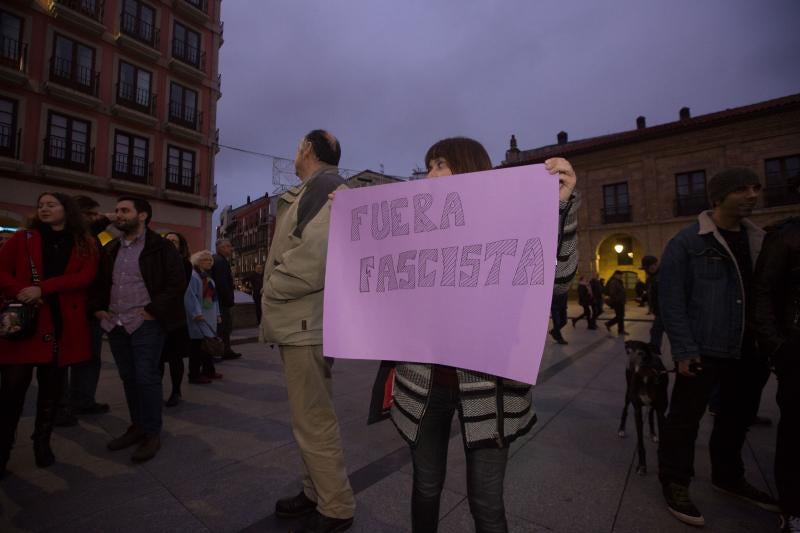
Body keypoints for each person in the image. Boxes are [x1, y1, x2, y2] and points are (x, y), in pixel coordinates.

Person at [389, 137, 579, 533]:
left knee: (486, 501)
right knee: (425, 486)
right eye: (429, 164)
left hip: (489, 388)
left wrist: (560, 206)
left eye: (440, 163)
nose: (431, 173)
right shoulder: (414, 228)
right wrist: (345, 222)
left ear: (469, 168)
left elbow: (558, 281)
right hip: (425, 384)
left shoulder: (508, 223)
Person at [656, 168, 778, 527]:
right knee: (684, 421)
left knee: (736, 419)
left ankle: (728, 476)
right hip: (702, 349)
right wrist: (683, 350)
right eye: (742, 189)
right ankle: (675, 482)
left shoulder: (761, 240)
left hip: (749, 350)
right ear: (718, 197)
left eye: (756, 187)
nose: (753, 195)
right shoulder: (688, 242)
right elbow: (672, 302)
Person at [261, 129, 355, 533]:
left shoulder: (326, 187)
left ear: (307, 151)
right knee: (307, 416)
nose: (295, 152)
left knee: (313, 417)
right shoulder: (316, 189)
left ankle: (335, 507)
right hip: (306, 320)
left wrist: (270, 286)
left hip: (305, 321)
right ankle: (315, 491)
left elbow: (315, 260)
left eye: (297, 146)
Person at [0, 193, 98, 476]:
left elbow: (85, 276)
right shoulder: (23, 238)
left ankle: (41, 443)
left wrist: (44, 288)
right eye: (41, 204)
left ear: (66, 210)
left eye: (51, 204)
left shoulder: (85, 243)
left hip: (60, 324)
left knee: (51, 391)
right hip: (25, 324)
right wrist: (20, 290)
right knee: (11, 391)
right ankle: (3, 448)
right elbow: (2, 270)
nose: (44, 208)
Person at [89, 197, 186, 463]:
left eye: (124, 211)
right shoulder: (111, 247)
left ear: (142, 215)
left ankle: (152, 433)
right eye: (117, 210)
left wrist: (153, 310)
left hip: (145, 324)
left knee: (146, 377)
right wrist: (97, 307)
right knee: (129, 378)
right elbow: (99, 278)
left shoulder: (161, 247)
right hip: (116, 322)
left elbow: (177, 282)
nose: (119, 215)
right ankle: (137, 426)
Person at [753, 207, 800, 532]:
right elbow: (764, 296)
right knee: (796, 432)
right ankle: (794, 506)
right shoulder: (785, 236)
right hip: (796, 351)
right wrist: (780, 349)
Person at [52, 195, 113, 426]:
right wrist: (105, 219)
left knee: (89, 358)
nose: (94, 219)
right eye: (89, 215)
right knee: (62, 360)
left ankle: (83, 400)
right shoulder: (66, 238)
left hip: (91, 309)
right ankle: (61, 407)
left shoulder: (91, 240)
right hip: (69, 308)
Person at [162, 232, 193, 406]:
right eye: (167, 240)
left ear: (181, 246)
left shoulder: (184, 264)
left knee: (175, 357)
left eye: (174, 241)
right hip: (158, 316)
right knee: (157, 357)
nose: (170, 243)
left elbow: (178, 288)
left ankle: (176, 391)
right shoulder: (157, 262)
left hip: (175, 316)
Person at [185, 250, 222, 384]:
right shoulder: (193, 276)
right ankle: (194, 374)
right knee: (197, 347)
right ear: (197, 261)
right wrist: (196, 313)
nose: (209, 262)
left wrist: (218, 314)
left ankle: (208, 370)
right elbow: (190, 296)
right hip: (199, 317)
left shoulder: (209, 278)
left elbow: (215, 299)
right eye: (205, 260)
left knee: (208, 345)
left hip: (209, 316)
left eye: (210, 260)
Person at [211, 238, 241, 360]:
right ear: (220, 248)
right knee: (224, 327)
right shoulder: (220, 261)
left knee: (224, 327)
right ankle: (223, 351)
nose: (230, 248)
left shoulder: (219, 260)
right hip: (222, 302)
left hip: (220, 301)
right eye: (227, 246)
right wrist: (229, 299)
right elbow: (222, 283)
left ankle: (225, 350)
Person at [640, 255, 664, 354]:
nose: (647, 271)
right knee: (655, 331)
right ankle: (654, 352)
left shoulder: (663, 276)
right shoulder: (652, 277)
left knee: (657, 331)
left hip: (666, 311)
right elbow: (653, 293)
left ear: (655, 265)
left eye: (648, 268)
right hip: (659, 311)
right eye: (645, 269)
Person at [604, 270, 627, 336]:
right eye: (620, 275)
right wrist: (618, 299)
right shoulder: (613, 282)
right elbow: (612, 293)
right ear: (616, 275)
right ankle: (610, 324)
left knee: (620, 316)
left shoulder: (618, 281)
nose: (621, 276)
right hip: (617, 302)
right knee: (620, 316)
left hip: (620, 301)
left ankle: (618, 329)